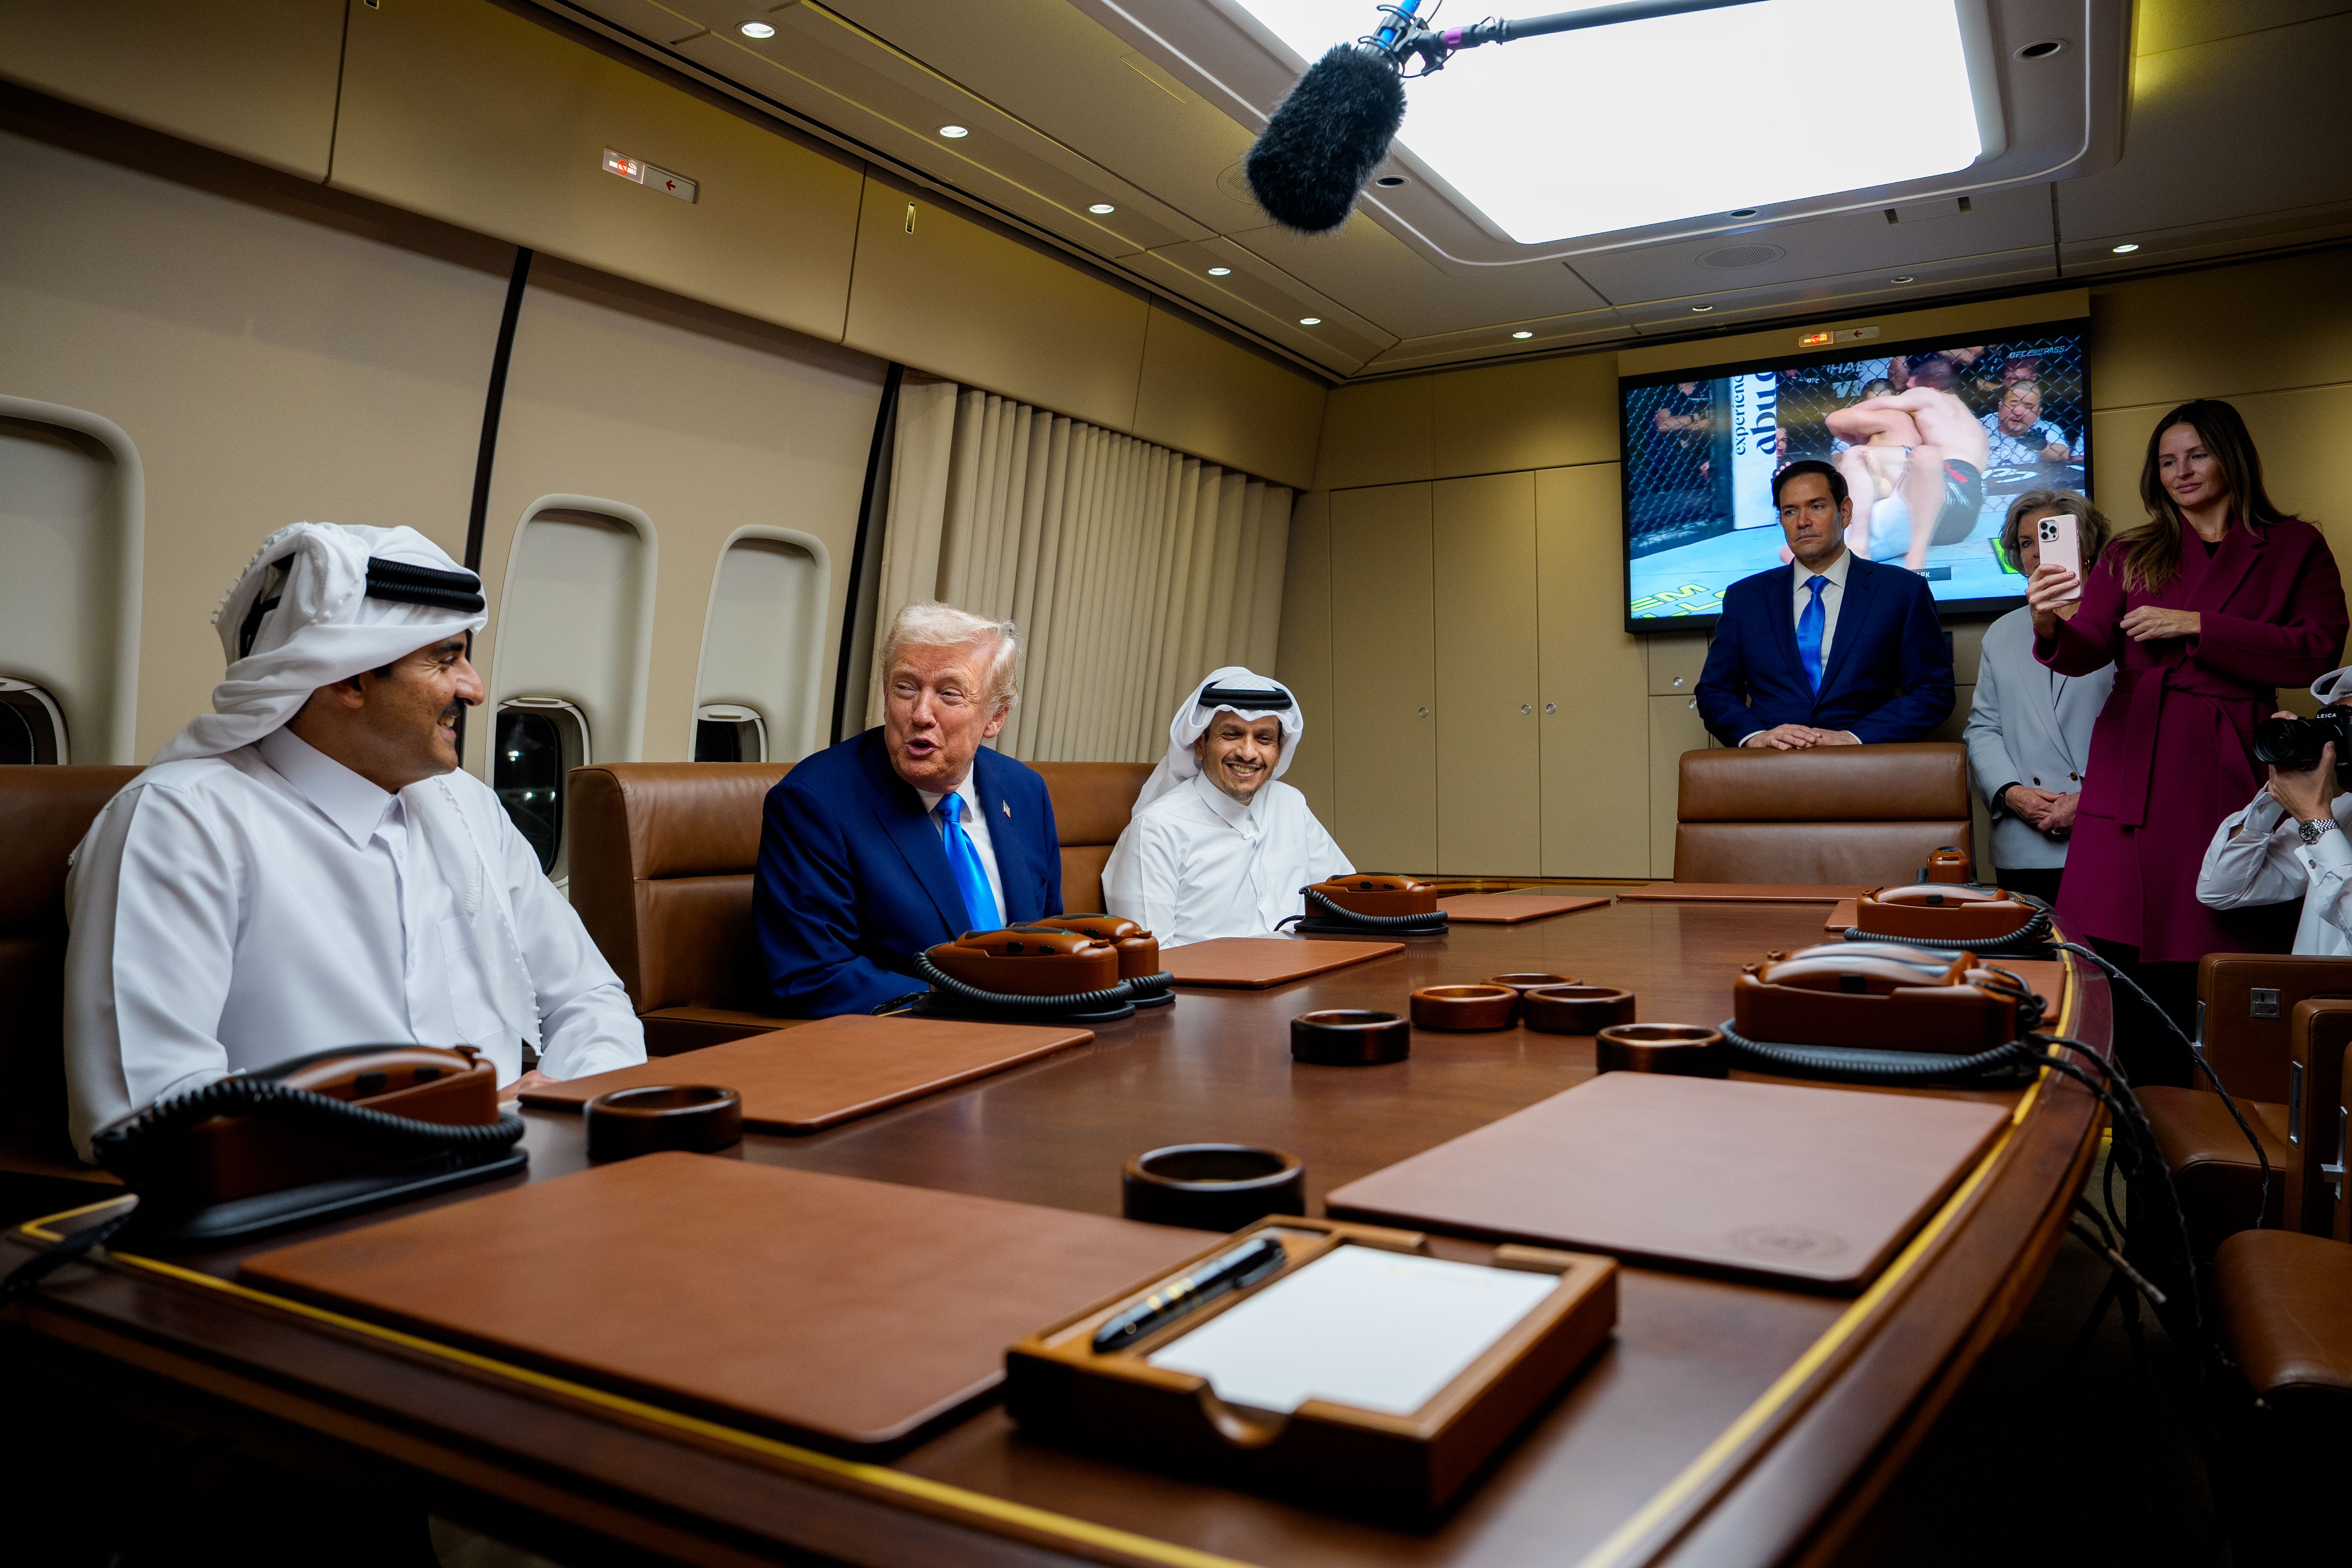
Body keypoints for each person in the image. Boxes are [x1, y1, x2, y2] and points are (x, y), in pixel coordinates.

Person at [62, 523, 645, 1162]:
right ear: (349, 681)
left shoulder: (469, 806)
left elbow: (590, 998)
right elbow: (146, 1114)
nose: (474, 690)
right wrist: (457, 1127)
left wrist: (562, 1097)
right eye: (445, 660)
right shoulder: (182, 824)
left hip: (514, 1167)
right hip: (312, 1207)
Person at [2029, 398, 2348, 1066]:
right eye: (2168, 461)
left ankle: (2227, 1108)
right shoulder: (2130, 551)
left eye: (2197, 454)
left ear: (2231, 457)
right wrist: (2049, 622)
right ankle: (2137, 1103)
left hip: (2226, 754)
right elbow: (2089, 647)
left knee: (2224, 931)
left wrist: (2197, 625)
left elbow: (2317, 650)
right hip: (2132, 752)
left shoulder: (2294, 545)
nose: (2182, 471)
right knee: (2114, 940)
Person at [753, 601, 1063, 1016]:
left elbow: (1050, 935)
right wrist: (972, 1007)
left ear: (996, 718)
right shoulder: (815, 803)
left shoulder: (1024, 791)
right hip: (908, 1047)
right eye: (906, 687)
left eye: (949, 694)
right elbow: (812, 975)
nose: (920, 714)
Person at [1695, 459, 1955, 749]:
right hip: (1770, 771)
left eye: (1816, 506)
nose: (1802, 521)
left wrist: (1854, 738)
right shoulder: (1746, 598)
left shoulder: (1902, 591)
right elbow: (1715, 691)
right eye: (1790, 511)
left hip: (1867, 769)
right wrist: (1757, 737)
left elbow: (1933, 692)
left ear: (1845, 512)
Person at [1101, 668, 1352, 946]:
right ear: (1201, 744)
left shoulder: (1290, 804)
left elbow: (1345, 901)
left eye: (1264, 739)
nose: (1247, 753)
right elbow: (1152, 961)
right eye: (1232, 735)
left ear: (1279, 750)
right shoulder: (1156, 829)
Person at [1963, 491, 2116, 906]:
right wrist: (2012, 793)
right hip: (2023, 838)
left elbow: (2143, 732)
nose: (2035, 553)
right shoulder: (2002, 632)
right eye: (2026, 542)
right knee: (2034, 965)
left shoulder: (2121, 623)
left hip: (2106, 827)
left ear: (2084, 545)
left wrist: (2086, 801)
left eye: (2050, 538)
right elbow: (1983, 729)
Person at [2196, 668, 2352, 955]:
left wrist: (2316, 821)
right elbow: (2221, 889)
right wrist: (2279, 791)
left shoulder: (2323, 818)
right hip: (2312, 998)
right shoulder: (2343, 811)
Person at [1824, 380, 1992, 570]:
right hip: (1964, 518)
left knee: (1856, 456)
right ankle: (1880, 486)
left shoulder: (1924, 398)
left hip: (1945, 483)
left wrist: (1863, 437)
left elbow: (1835, 419)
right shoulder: (1971, 422)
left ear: (1924, 384)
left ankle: (1859, 545)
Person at [1981, 382, 2074, 468]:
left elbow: (2064, 456)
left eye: (2028, 407)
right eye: (2013, 405)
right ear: (2001, 406)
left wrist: (2043, 447)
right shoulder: (1981, 426)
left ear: (2038, 412)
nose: (2018, 412)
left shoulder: (2046, 429)